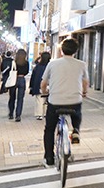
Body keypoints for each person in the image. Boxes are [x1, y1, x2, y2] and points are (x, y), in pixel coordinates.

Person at [41, 38, 89, 168]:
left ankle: (49, 158)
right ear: (76, 51)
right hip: (74, 101)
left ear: (61, 50)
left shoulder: (52, 64)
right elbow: (85, 82)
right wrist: (84, 92)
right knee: (77, 113)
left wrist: (44, 92)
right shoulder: (81, 64)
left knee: (49, 129)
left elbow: (43, 83)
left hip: (55, 102)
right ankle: (76, 130)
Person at [8, 49, 29, 122]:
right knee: (20, 99)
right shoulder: (26, 63)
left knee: (12, 97)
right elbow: (26, 72)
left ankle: (11, 113)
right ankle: (18, 115)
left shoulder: (14, 62)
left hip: (14, 79)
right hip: (22, 79)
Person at [29, 52, 51, 120]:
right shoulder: (50, 66)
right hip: (48, 85)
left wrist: (31, 86)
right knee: (47, 100)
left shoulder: (38, 66)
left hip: (38, 85)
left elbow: (33, 77)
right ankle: (46, 113)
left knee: (39, 100)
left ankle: (39, 114)